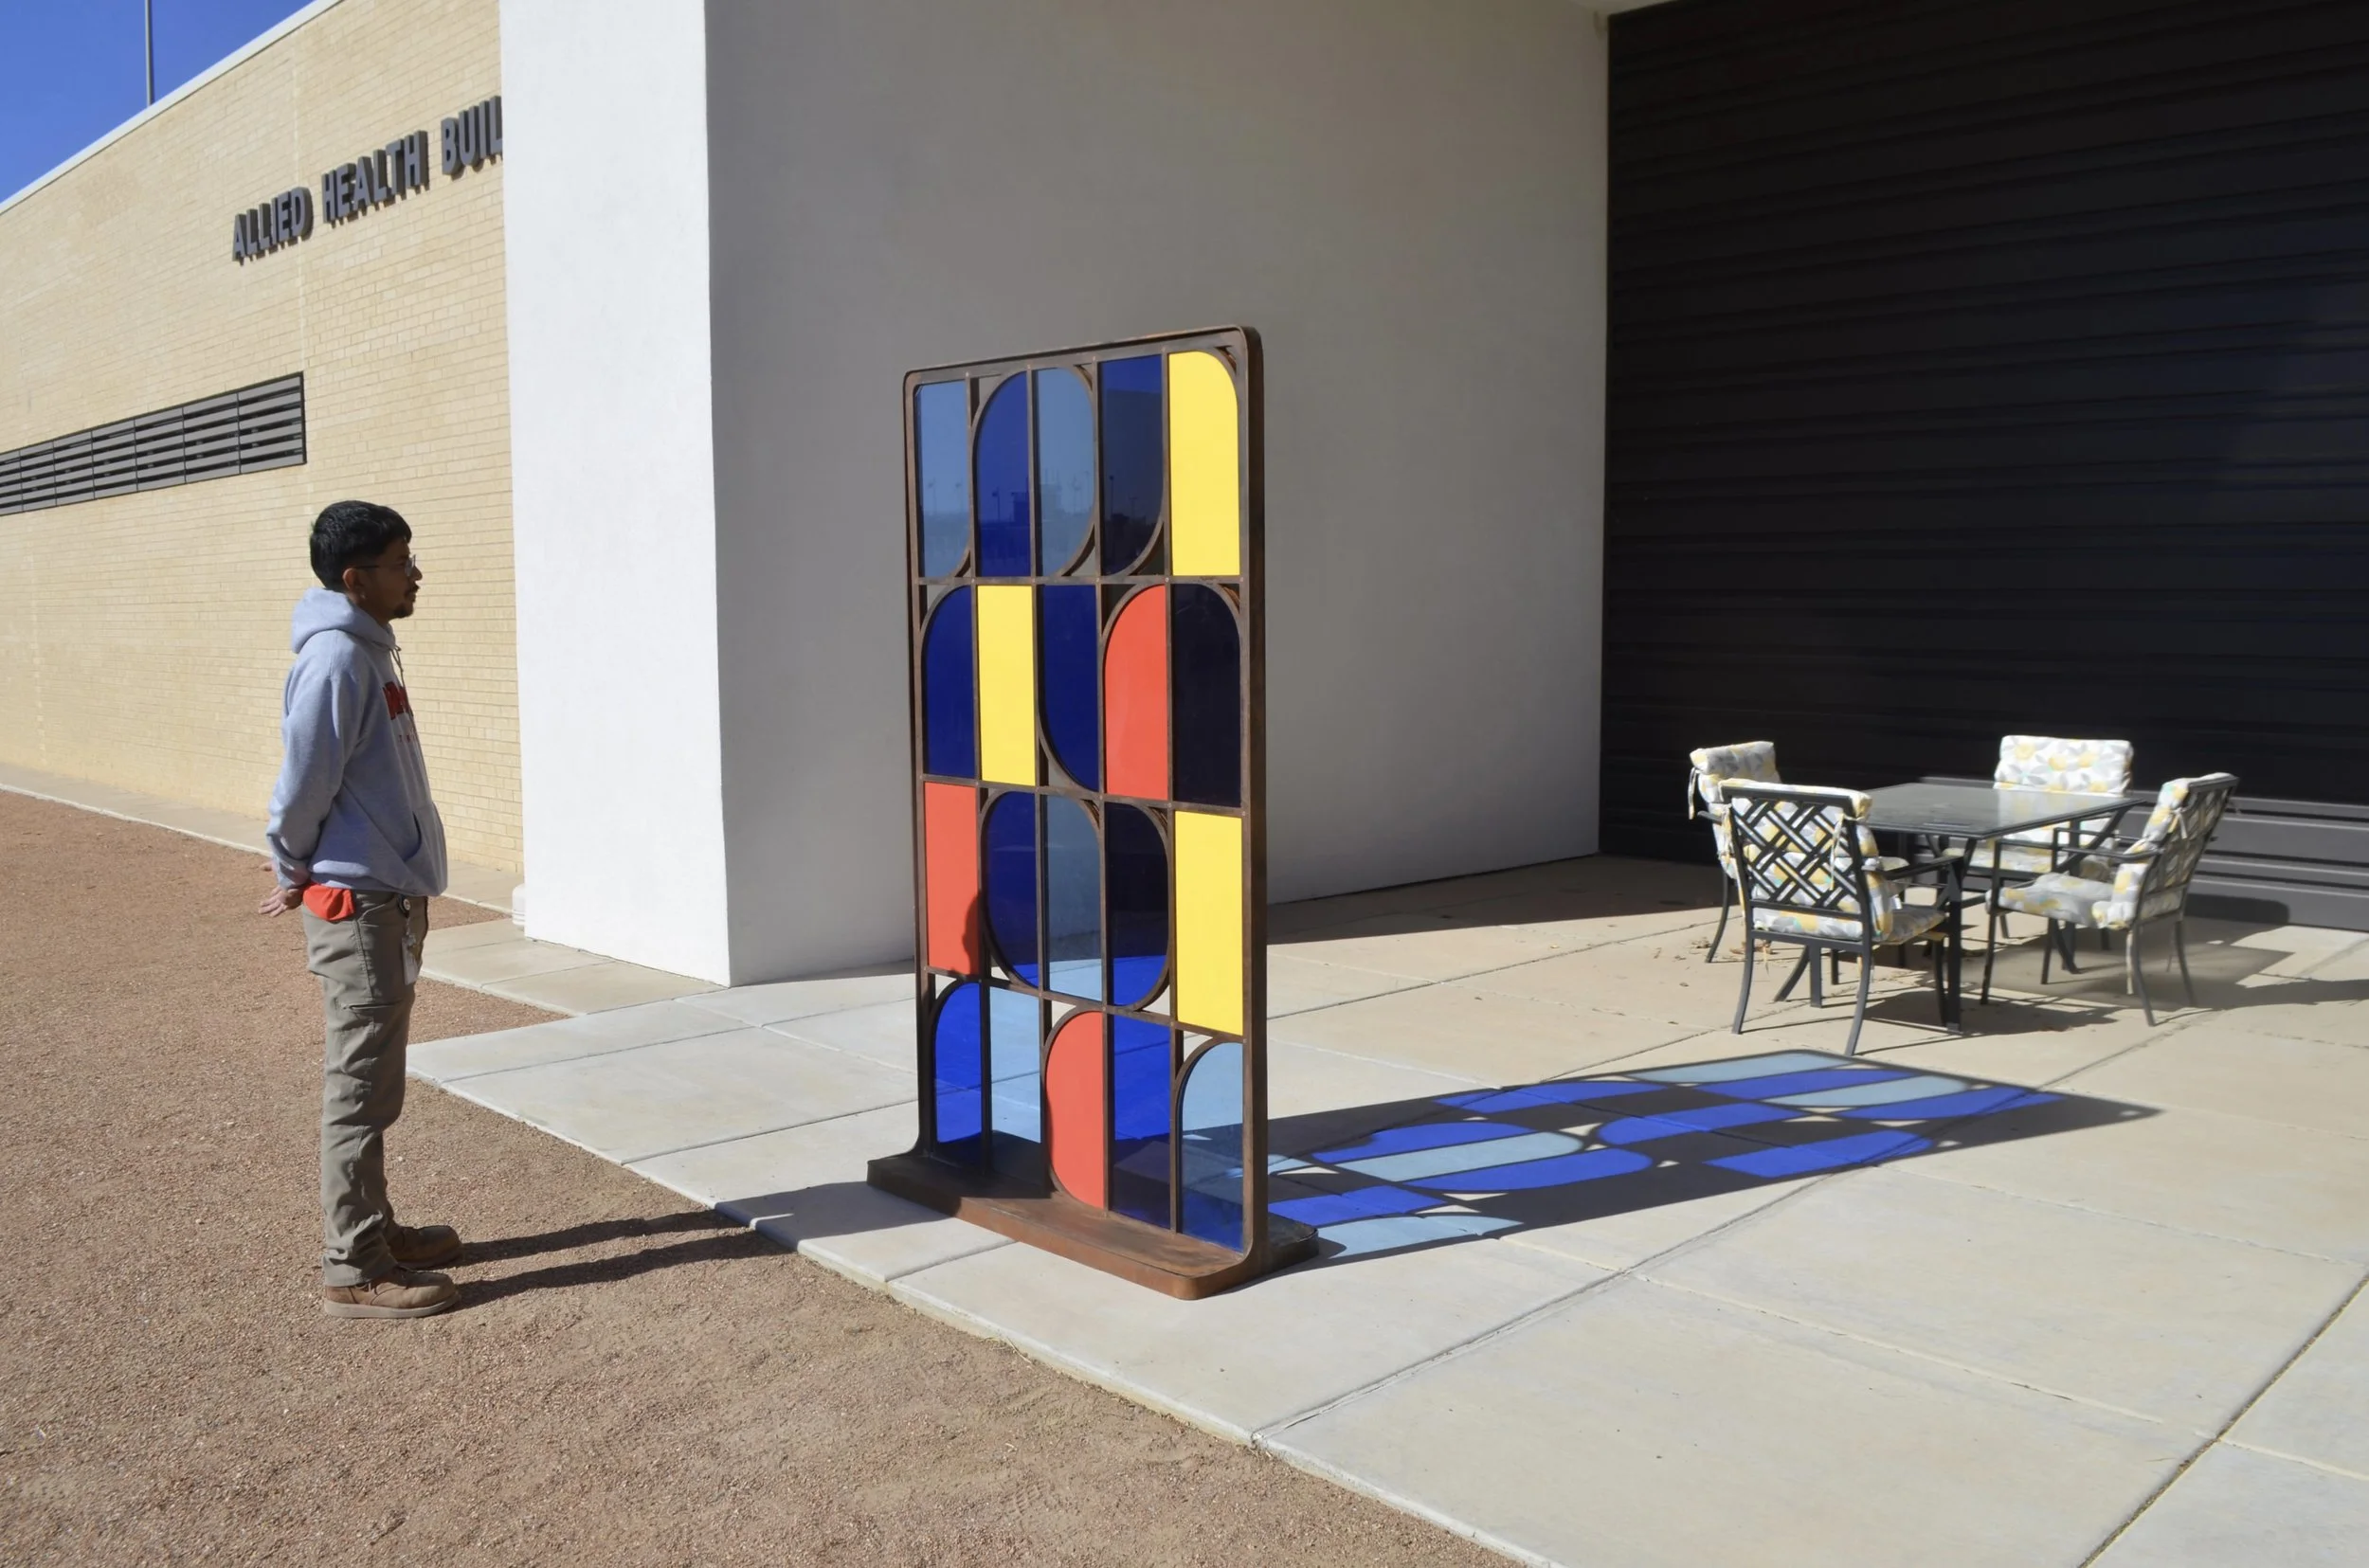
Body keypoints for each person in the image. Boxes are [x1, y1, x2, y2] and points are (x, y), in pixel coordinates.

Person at [258, 500, 461, 1319]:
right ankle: (354, 1262)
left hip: (386, 894)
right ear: (355, 580)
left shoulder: (370, 652)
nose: (414, 573)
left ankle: (374, 1229)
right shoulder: (340, 659)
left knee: (375, 1082)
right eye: (400, 561)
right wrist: (290, 863)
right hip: (358, 900)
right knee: (358, 1085)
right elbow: (301, 782)